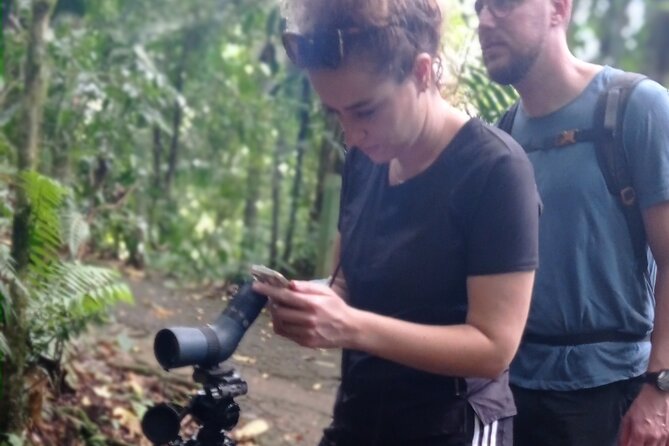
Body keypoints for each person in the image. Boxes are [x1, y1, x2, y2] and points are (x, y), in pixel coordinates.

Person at [251, 0, 540, 444]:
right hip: (361, 414)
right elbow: (347, 284)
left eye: (365, 111)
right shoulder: (364, 161)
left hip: (451, 426)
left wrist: (350, 326)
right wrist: (308, 303)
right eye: (337, 114)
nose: (351, 135)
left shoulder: (494, 170)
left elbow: (494, 347)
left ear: (422, 73)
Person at [475, 0, 669, 445]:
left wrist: (660, 390)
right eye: (479, 7)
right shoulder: (502, 135)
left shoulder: (637, 108)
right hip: (512, 393)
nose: (485, 20)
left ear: (559, 9)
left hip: (612, 396)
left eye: (502, 5)